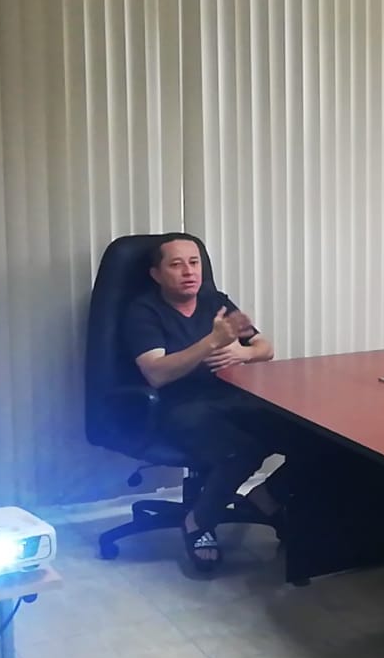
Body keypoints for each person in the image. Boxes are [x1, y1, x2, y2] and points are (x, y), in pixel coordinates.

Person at [123, 233, 293, 573]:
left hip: (229, 397)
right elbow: (157, 373)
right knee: (241, 451)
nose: (189, 272)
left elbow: (265, 348)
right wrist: (211, 342)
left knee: (312, 435)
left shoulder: (216, 301)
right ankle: (198, 521)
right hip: (176, 407)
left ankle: (266, 495)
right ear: (157, 274)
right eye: (176, 264)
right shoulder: (143, 312)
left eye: (194, 262)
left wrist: (243, 353)